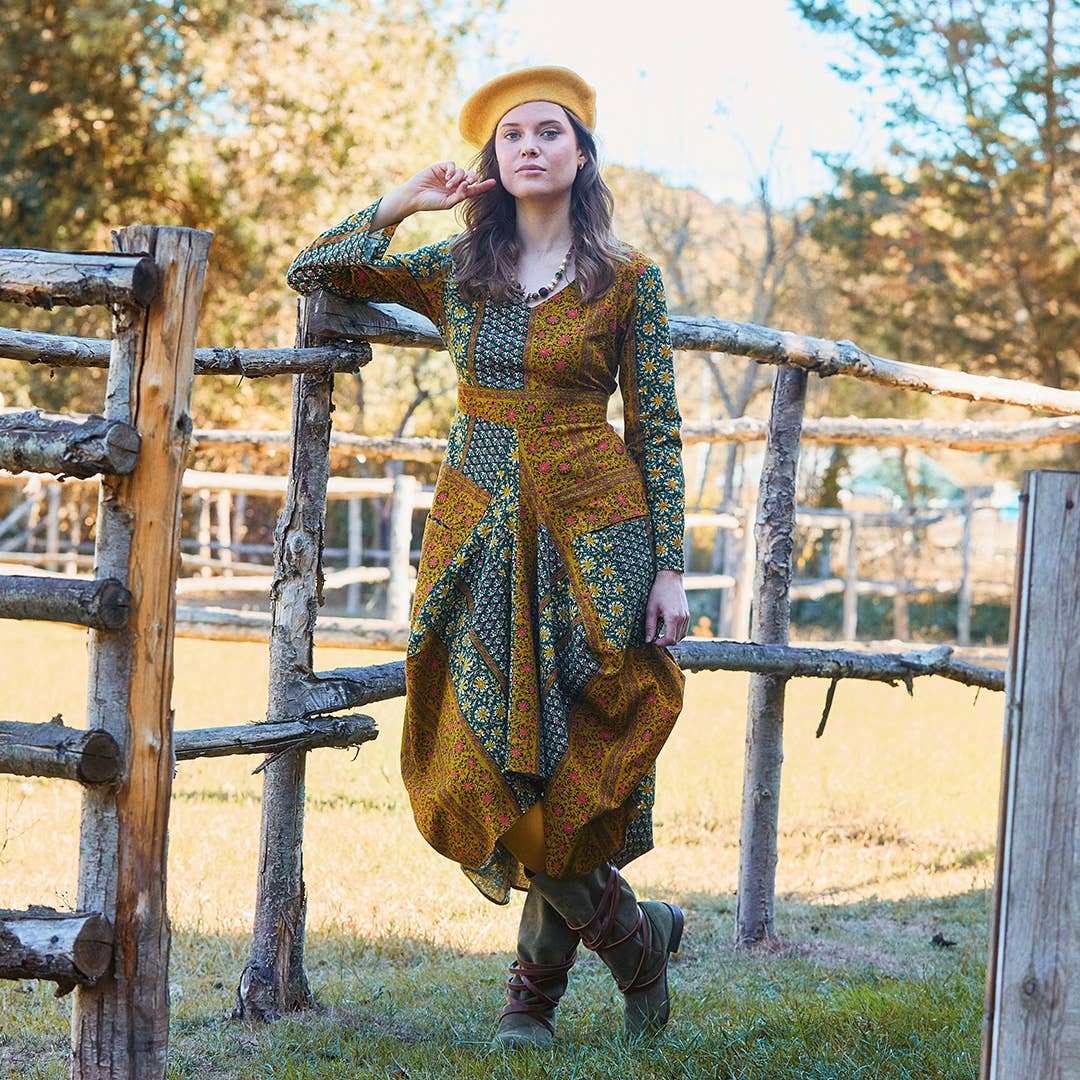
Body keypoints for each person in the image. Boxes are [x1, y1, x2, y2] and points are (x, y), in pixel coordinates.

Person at [287, 65, 689, 1049]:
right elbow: (314, 269)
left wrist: (670, 565)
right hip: (476, 534)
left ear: (581, 155)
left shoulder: (628, 277)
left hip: (597, 536)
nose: (530, 147)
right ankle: (638, 942)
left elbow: (658, 427)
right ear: (493, 160)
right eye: (512, 136)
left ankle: (530, 1002)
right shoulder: (456, 268)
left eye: (549, 132)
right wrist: (402, 202)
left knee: (572, 766)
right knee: (474, 760)